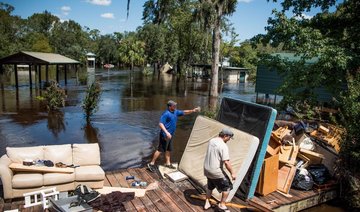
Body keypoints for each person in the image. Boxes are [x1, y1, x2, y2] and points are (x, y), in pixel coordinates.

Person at [147, 100, 200, 172]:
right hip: (165, 135)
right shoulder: (166, 114)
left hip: (170, 136)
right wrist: (166, 133)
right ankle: (151, 163)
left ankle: (168, 163)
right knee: (160, 150)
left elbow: (184, 112)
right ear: (169, 106)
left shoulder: (175, 112)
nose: (175, 106)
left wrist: (193, 110)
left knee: (169, 149)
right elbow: (160, 124)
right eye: (174, 105)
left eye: (175, 105)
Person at [203, 128, 236, 212]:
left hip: (207, 169)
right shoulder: (223, 146)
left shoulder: (212, 140)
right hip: (215, 171)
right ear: (225, 136)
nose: (229, 140)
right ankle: (222, 205)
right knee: (228, 187)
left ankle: (207, 203)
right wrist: (233, 173)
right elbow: (226, 162)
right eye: (229, 138)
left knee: (210, 186)